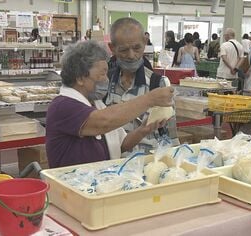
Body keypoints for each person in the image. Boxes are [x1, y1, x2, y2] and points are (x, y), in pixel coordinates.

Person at [46, 40, 174, 168]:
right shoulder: (63, 106)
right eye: (102, 74)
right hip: (70, 183)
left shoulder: (97, 104)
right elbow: (104, 122)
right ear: (80, 78)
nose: (106, 80)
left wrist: (143, 130)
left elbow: (121, 143)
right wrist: (149, 99)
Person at [105, 17, 179, 153]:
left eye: (137, 48)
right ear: (112, 48)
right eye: (123, 50)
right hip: (113, 166)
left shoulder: (158, 84)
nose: (131, 55)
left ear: (145, 42)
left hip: (148, 163)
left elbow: (171, 134)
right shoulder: (104, 84)